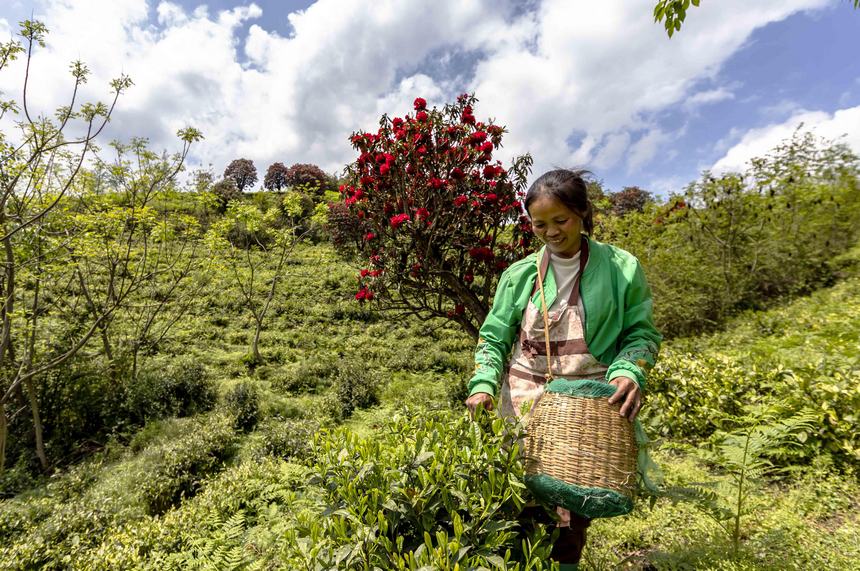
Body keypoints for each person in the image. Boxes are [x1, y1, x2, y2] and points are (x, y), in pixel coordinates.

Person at [464, 168, 662, 569]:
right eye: (539, 224)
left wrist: (629, 370)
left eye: (561, 220)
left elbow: (641, 335)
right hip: (524, 406)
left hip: (587, 412)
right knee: (516, 506)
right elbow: (494, 338)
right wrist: (484, 384)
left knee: (571, 515)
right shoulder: (520, 275)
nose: (551, 232)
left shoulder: (621, 268)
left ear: (583, 213)